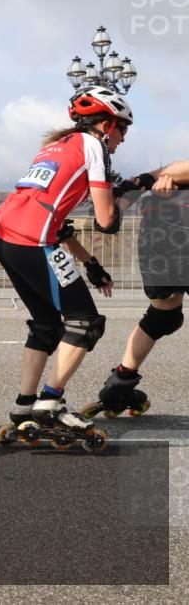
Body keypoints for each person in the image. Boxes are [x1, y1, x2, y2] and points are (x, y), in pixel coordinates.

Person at [0, 85, 131, 444]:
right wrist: (126, 195)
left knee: (46, 324)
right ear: (106, 124)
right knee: (84, 323)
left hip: (4, 233)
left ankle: (24, 405)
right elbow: (106, 220)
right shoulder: (94, 146)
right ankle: (49, 404)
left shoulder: (57, 146)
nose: (123, 139)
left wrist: (89, 263)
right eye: (123, 129)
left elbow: (56, 219)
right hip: (33, 241)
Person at [83, 161, 189, 418]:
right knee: (162, 315)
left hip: (159, 231)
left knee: (163, 315)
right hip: (174, 228)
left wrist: (137, 185)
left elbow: (169, 172)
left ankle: (119, 385)